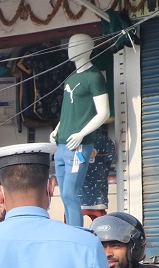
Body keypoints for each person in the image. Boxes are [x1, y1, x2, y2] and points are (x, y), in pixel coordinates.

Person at [50, 33, 109, 227]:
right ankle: (70, 230)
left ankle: (75, 232)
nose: (70, 48)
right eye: (70, 44)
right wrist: (58, 128)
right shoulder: (70, 79)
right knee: (64, 195)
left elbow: (103, 113)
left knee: (70, 193)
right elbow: (69, 110)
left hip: (79, 146)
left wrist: (82, 134)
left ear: (88, 47)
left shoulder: (95, 77)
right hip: (62, 144)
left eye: (76, 45)